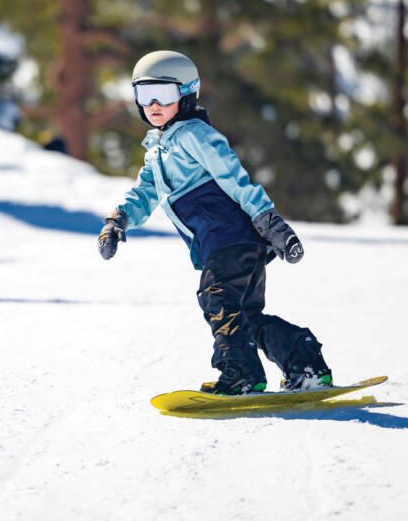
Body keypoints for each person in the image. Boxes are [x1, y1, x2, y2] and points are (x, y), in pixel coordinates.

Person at [98, 50, 332, 395]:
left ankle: (241, 374)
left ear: (187, 93)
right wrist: (118, 220)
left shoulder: (195, 136)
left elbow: (236, 179)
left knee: (217, 300)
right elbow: (144, 193)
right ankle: (305, 363)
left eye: (162, 95)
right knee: (245, 318)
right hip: (225, 245)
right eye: (143, 96)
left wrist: (271, 223)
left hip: (231, 238)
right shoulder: (159, 151)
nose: (152, 106)